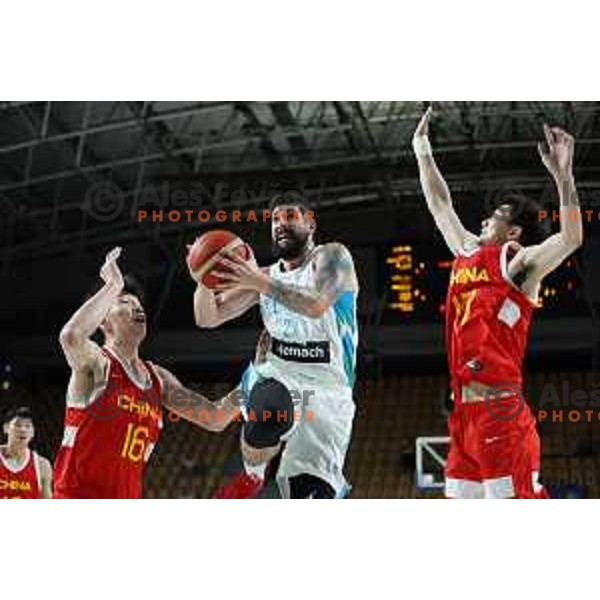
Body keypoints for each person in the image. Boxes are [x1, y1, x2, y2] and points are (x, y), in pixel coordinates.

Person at [413, 106, 583, 499]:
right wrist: (421, 147)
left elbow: (571, 239)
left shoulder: (520, 263)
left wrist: (564, 177)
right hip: (462, 417)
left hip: (501, 413)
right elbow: (440, 203)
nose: (486, 219)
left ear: (515, 230)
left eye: (497, 216)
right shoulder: (466, 251)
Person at [193, 196, 359, 499]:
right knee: (268, 408)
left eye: (290, 216)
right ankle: (253, 475)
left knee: (309, 493)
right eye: (274, 220)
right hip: (280, 371)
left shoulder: (334, 256)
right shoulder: (265, 276)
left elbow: (316, 304)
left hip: (329, 390)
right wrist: (202, 275)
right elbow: (207, 318)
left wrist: (258, 281)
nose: (281, 223)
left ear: (310, 223)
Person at [53, 247, 240, 499]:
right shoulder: (97, 364)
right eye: (125, 302)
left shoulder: (158, 379)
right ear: (103, 322)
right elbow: (71, 336)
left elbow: (215, 417)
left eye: (139, 303)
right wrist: (112, 286)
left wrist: (257, 378)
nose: (137, 307)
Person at [0, 406, 52, 499]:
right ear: (6, 428)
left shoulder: (42, 466)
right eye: (17, 425)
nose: (23, 430)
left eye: (28, 426)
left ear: (32, 433)